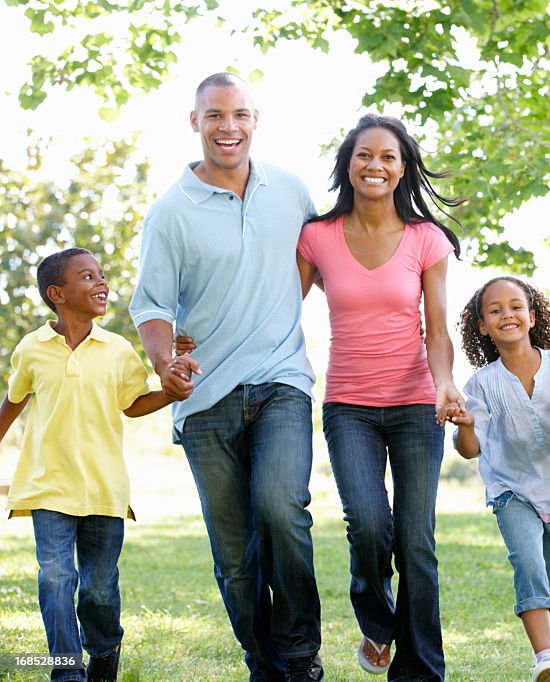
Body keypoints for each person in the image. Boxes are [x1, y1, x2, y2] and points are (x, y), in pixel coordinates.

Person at [129, 73, 325, 682]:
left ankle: (298, 661)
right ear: (195, 123)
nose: (228, 126)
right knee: (236, 558)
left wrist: (277, 310)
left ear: (256, 118)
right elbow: (152, 307)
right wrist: (166, 364)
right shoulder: (170, 213)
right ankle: (262, 663)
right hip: (205, 397)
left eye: (239, 114)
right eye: (214, 115)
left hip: (281, 379)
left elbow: (318, 258)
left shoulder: (290, 190)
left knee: (282, 507)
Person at [296, 113, 464, 681]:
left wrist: (444, 384)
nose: (375, 164)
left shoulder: (425, 239)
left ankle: (420, 672)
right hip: (348, 406)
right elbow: (275, 311)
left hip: (418, 403)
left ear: (402, 168)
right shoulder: (316, 236)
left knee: (415, 541)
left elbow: (437, 331)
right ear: (349, 163)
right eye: (365, 154)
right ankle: (378, 622)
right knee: (368, 523)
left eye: (388, 156)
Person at [0, 248, 192, 682]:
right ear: (58, 294)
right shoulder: (32, 348)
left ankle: (103, 655)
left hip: (105, 489)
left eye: (101, 276)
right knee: (54, 579)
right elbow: (12, 404)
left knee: (99, 591)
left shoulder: (118, 349)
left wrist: (171, 393)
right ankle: (67, 672)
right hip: (46, 485)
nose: (102, 283)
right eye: (87, 277)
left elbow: (134, 404)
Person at [446, 276, 550, 682]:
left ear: (532, 316)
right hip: (510, 489)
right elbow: (470, 448)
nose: (507, 315)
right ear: (482, 326)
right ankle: (544, 658)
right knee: (528, 561)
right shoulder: (481, 384)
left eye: (516, 306)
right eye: (495, 310)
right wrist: (465, 424)